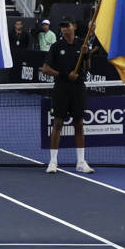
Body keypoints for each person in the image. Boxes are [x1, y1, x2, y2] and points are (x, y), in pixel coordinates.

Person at [43, 18, 92, 171]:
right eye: (62, 27)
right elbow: (45, 68)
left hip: (78, 88)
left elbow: (88, 67)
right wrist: (65, 75)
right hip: (61, 88)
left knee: (79, 124)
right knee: (58, 123)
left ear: (74, 27)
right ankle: (53, 162)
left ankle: (81, 162)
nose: (64, 29)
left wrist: (86, 55)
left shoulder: (82, 45)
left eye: (67, 26)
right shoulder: (56, 46)